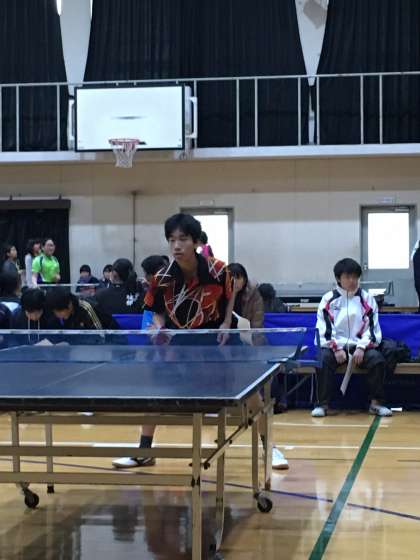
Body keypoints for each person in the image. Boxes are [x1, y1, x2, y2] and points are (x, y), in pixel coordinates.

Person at [112, 213, 236, 469]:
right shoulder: (162, 278)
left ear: (197, 242)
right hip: (177, 343)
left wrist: (226, 322)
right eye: (171, 240)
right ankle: (144, 451)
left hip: (214, 339)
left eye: (183, 239)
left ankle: (270, 448)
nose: (176, 245)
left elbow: (230, 295)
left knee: (254, 395)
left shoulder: (219, 270)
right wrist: (159, 326)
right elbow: (156, 310)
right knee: (154, 394)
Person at [312, 258, 392, 418]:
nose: (352, 281)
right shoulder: (328, 299)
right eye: (348, 277)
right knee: (323, 359)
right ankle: (322, 405)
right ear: (338, 278)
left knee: (377, 360)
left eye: (355, 277)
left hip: (360, 347)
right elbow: (324, 329)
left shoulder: (367, 299)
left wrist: (362, 347)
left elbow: (372, 328)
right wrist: (336, 348)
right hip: (335, 347)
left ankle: (376, 403)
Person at [228, 263, 289, 469]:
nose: (235, 282)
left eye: (238, 277)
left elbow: (257, 325)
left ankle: (269, 447)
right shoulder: (219, 294)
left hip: (251, 346)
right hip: (223, 350)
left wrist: (250, 344)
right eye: (231, 277)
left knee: (256, 397)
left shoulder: (254, 295)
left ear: (244, 279)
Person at [46, 286, 117, 330]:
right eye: (55, 312)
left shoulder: (86, 308)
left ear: (69, 304)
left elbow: (100, 336)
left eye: (60, 312)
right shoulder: (59, 311)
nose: (58, 315)